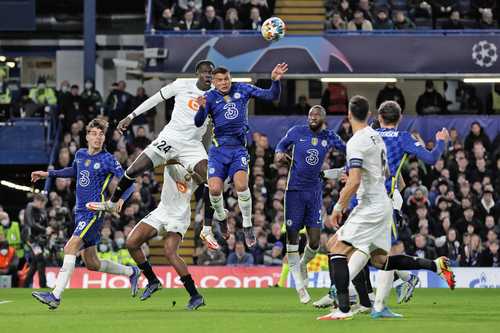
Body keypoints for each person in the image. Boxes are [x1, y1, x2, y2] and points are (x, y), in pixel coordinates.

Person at [317, 96, 455, 321]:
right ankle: (376, 297)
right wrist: (441, 141)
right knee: (378, 257)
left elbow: (353, 172)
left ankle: (345, 298)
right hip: (386, 199)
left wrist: (335, 192)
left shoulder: (368, 136)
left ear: (377, 117)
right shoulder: (401, 138)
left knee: (347, 248)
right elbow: (430, 159)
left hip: (368, 201)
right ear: (400, 118)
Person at [87, 61, 222, 250]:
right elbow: (154, 100)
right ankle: (111, 203)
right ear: (197, 74)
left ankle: (207, 229)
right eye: (205, 72)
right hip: (170, 137)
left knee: (213, 181)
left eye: (211, 73)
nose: (209, 75)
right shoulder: (181, 85)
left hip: (192, 145)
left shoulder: (216, 94)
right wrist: (131, 116)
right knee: (134, 169)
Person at [30, 119, 138, 310]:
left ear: (104, 138)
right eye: (94, 133)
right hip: (80, 212)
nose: (98, 137)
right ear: (87, 136)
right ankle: (131, 271)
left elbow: (129, 182)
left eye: (101, 134)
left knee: (70, 247)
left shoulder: (108, 159)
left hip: (93, 212)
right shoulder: (80, 154)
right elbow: (73, 171)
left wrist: (120, 200)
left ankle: (55, 295)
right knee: (92, 263)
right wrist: (48, 174)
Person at [194, 63, 287, 247]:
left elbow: (271, 95)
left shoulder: (242, 89)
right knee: (213, 189)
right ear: (213, 82)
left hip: (238, 150)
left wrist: (275, 81)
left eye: (226, 78)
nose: (224, 82)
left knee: (242, 186)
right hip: (218, 150)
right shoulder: (209, 97)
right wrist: (202, 108)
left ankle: (247, 225)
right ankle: (221, 219)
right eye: (219, 80)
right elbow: (198, 123)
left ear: (230, 78)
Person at [274, 105, 346, 303]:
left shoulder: (330, 137)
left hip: (314, 193)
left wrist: (342, 171)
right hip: (294, 192)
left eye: (317, 115)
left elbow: (349, 152)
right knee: (292, 238)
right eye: (310, 115)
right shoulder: (296, 132)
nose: (312, 117)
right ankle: (300, 287)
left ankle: (305, 263)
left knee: (314, 241)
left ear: (324, 118)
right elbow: (280, 146)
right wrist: (280, 154)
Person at [125, 161, 206, 309]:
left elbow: (204, 180)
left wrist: (194, 171)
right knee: (131, 243)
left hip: (179, 214)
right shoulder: (172, 150)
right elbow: (163, 157)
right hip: (162, 210)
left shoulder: (197, 158)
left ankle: (195, 295)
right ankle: (153, 281)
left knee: (169, 251)